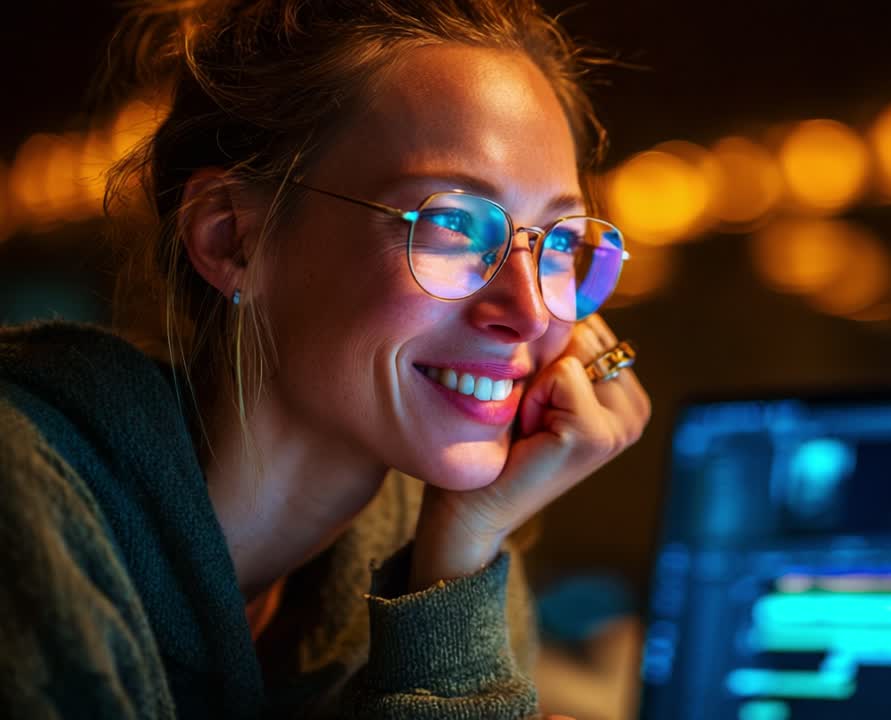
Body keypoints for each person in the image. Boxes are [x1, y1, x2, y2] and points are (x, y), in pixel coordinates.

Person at [0, 1, 650, 717]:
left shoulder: (440, 538)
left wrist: (459, 555)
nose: (530, 310)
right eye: (453, 225)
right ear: (230, 238)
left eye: (557, 243)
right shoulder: (28, 506)